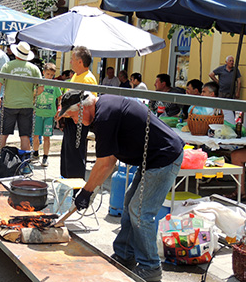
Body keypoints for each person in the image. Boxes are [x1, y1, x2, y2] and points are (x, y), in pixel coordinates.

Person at [58, 90, 184, 282]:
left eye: (73, 116)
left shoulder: (105, 115)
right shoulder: (103, 110)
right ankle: (125, 255)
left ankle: (150, 267)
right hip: (149, 159)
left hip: (164, 157)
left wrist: (86, 191)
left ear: (83, 107)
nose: (74, 121)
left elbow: (106, 163)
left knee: (140, 211)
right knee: (129, 204)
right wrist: (89, 190)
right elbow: (110, 158)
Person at [0, 41, 43, 152]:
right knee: (24, 136)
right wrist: (33, 96)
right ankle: (24, 165)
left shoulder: (8, 66)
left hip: (9, 105)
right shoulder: (34, 69)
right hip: (27, 105)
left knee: (3, 134)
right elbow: (41, 88)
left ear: (16, 53)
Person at [60, 46, 97, 179]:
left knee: (75, 156)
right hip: (70, 121)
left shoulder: (88, 79)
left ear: (80, 61)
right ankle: (66, 182)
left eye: (72, 59)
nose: (70, 62)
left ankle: (75, 188)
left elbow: (89, 105)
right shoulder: (76, 75)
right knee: (67, 155)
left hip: (79, 122)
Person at [33, 63, 62, 167]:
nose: (49, 76)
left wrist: (59, 108)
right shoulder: (39, 83)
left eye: (51, 75)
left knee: (47, 137)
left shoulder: (54, 85)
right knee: (36, 135)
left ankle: (45, 157)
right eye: (48, 74)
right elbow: (33, 95)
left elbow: (60, 97)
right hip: (38, 113)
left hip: (49, 114)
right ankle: (35, 153)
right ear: (43, 73)